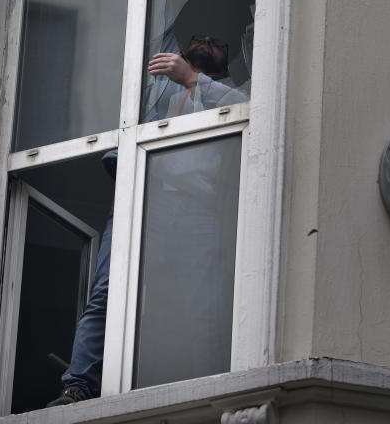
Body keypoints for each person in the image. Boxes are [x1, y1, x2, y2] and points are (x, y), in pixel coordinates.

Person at [46, 33, 247, 407]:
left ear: (229, 56)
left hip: (196, 209)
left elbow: (248, 111)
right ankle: (78, 385)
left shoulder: (235, 92)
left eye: (216, 39)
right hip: (142, 201)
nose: (205, 40)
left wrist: (192, 79)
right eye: (197, 37)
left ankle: (204, 389)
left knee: (200, 304)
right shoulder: (159, 94)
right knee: (107, 295)